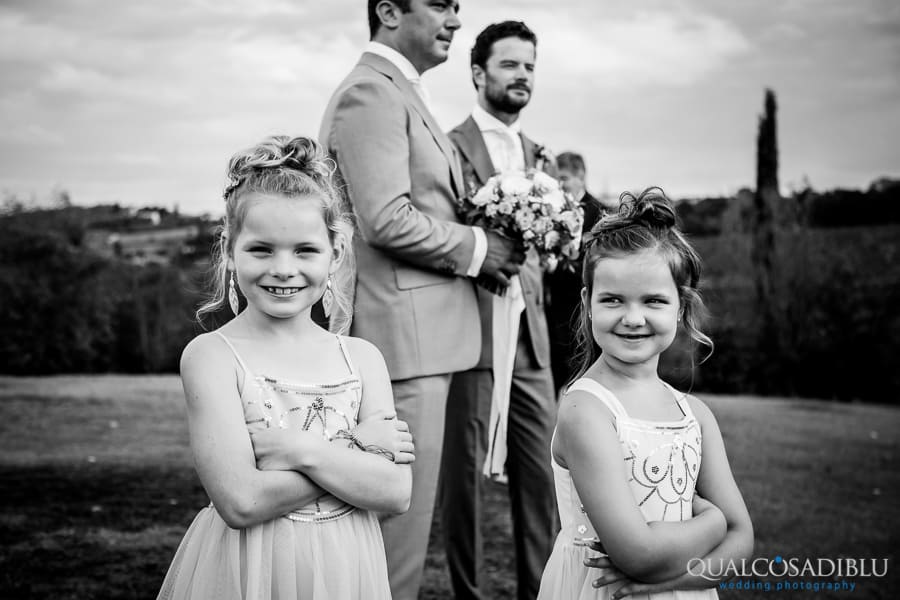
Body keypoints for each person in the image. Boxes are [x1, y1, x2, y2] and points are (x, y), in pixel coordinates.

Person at [318, 2, 526, 598]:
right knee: (393, 543)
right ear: (388, 11)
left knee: (405, 531)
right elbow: (384, 219)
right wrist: (480, 248)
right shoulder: (371, 92)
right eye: (440, 5)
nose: (456, 21)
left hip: (434, 342)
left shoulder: (404, 91)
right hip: (404, 348)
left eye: (458, 8)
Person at [157, 136, 415, 600]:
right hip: (249, 568)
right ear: (230, 251)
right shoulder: (212, 356)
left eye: (304, 250)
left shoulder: (362, 359)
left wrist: (298, 449)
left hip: (346, 564)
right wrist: (353, 454)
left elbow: (395, 493)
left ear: (334, 255)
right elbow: (241, 501)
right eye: (261, 249)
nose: (283, 268)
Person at [537, 188, 753, 599]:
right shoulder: (586, 409)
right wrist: (713, 523)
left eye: (653, 300)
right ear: (587, 303)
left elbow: (742, 542)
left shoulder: (695, 414)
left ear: (680, 306)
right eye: (613, 300)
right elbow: (638, 554)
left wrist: (674, 582)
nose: (632, 318)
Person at [441, 21, 556, 600]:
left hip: (531, 340)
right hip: (473, 333)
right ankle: (471, 594)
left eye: (530, 66)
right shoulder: (449, 145)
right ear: (479, 73)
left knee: (544, 479)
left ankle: (542, 591)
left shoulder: (541, 155)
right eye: (510, 65)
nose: (522, 76)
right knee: (464, 481)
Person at [544, 151, 607, 394]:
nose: (559, 185)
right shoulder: (551, 212)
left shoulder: (601, 215)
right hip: (552, 311)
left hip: (584, 310)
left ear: (581, 177)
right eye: (556, 180)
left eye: (564, 178)